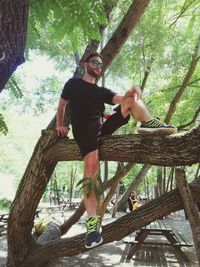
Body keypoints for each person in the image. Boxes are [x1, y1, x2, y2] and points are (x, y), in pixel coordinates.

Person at [56, 52, 177, 249]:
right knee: (91, 172)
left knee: (130, 100)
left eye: (100, 64)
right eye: (94, 62)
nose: (97, 66)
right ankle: (93, 227)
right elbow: (61, 105)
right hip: (84, 130)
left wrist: (134, 90)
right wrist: (60, 126)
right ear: (86, 64)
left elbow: (122, 98)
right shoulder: (73, 84)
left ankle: (149, 123)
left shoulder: (102, 91)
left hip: (101, 125)